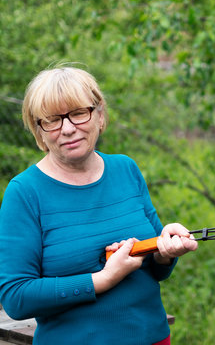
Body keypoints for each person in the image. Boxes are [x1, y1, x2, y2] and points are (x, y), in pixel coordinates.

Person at [0, 66, 198, 345]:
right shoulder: (25, 193)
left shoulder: (126, 169)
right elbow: (16, 297)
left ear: (99, 115)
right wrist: (102, 279)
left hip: (153, 338)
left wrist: (166, 252)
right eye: (53, 120)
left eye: (78, 113)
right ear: (39, 131)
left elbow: (156, 269)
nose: (68, 129)